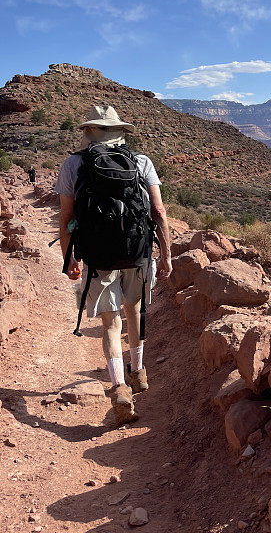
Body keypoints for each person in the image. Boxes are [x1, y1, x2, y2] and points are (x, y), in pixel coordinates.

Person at [55, 106, 172, 425]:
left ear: (90, 131)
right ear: (120, 131)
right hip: (137, 251)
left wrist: (70, 259)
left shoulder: (73, 164)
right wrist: (167, 255)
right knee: (135, 310)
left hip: (98, 255)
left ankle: (119, 387)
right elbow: (159, 213)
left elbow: (66, 218)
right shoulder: (141, 161)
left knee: (110, 322)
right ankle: (139, 373)